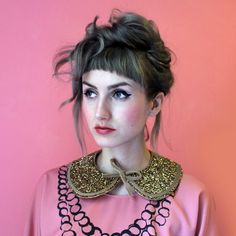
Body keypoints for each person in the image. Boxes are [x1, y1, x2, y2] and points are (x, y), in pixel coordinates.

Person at [24, 9, 219, 236]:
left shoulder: (192, 200)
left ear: (154, 104)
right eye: (91, 93)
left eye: (119, 94)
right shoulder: (50, 190)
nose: (100, 112)